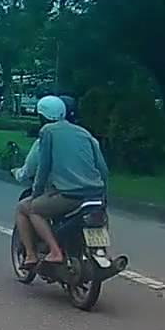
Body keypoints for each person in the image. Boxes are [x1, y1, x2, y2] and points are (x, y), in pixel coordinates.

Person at [14, 95, 109, 267]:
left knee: (30, 209)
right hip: (95, 194)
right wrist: (103, 195)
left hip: (69, 196)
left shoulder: (47, 132)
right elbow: (103, 169)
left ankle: (49, 252)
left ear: (41, 116)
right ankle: (101, 252)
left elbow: (43, 167)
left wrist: (36, 194)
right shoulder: (84, 133)